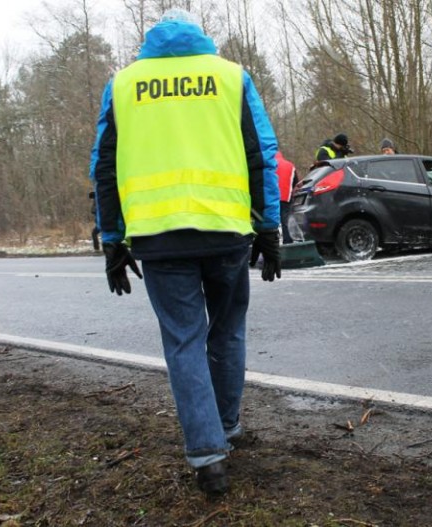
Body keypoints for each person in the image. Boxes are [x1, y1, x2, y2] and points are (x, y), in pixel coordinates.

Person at [89, 8, 281, 496]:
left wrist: (112, 238)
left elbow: (104, 166)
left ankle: (208, 455)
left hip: (158, 236)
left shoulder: (124, 84)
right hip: (226, 230)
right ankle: (227, 426)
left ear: (149, 41)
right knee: (228, 331)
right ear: (202, 37)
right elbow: (261, 153)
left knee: (183, 342)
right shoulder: (231, 77)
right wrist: (269, 227)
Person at [275, 151, 298, 244]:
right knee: (285, 220)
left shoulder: (268, 165)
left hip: (271, 197)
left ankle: (274, 241)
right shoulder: (290, 165)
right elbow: (295, 183)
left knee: (271, 219)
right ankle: (287, 241)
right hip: (286, 197)